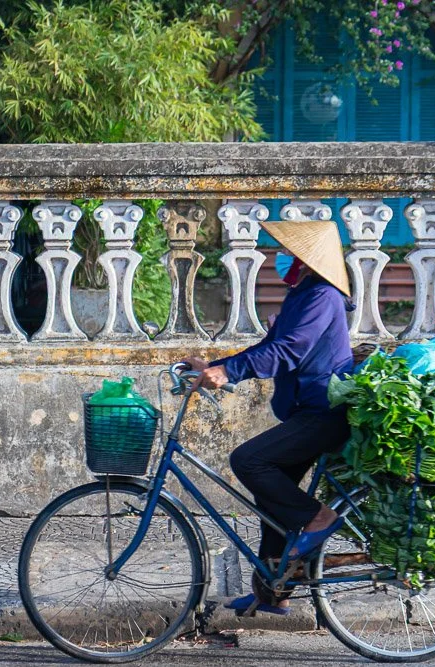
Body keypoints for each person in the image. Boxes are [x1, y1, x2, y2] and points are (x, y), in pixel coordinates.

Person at [183, 219, 354, 616]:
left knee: (249, 460)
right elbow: (269, 346)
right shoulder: (304, 293)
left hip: (325, 412)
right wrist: (215, 365)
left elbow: (289, 351)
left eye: (288, 252)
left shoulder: (322, 296)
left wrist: (229, 374)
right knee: (271, 502)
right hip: (307, 410)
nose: (280, 258)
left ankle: (319, 518)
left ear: (307, 259)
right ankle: (272, 591)